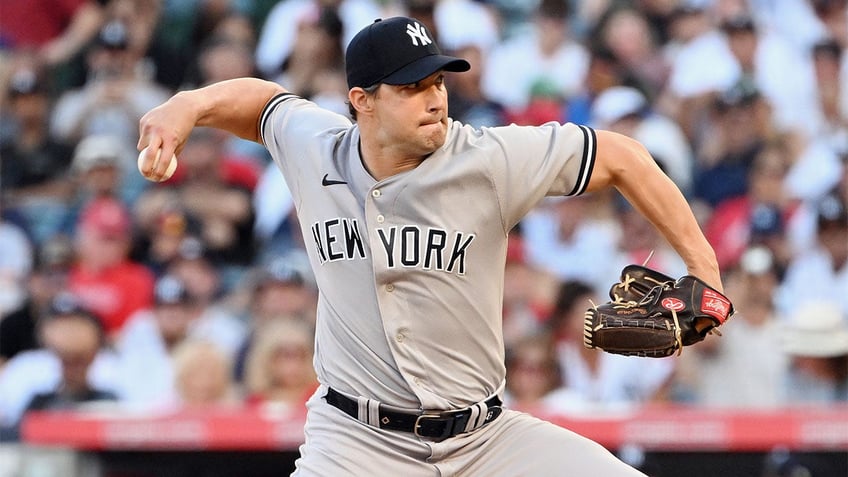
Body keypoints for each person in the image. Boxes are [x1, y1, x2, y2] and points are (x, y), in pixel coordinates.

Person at [137, 16, 726, 476]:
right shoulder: (318, 148)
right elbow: (263, 104)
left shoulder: (487, 159)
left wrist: (705, 269)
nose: (435, 98)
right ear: (362, 100)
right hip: (357, 443)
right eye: (412, 87)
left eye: (438, 81)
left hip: (487, 441)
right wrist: (187, 104)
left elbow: (622, 156)